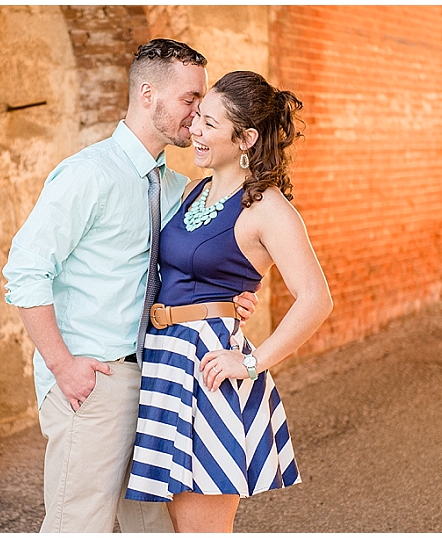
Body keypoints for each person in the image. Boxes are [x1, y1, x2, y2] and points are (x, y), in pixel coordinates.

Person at [2, 40, 259, 533]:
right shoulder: (88, 175)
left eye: (202, 104)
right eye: (190, 100)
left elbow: (187, 267)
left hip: (159, 379)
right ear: (147, 94)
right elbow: (25, 270)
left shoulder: (179, 186)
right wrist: (63, 365)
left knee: (154, 528)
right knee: (78, 526)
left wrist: (226, 299)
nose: (197, 114)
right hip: (94, 382)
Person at [124, 71, 334, 533]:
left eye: (209, 124)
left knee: (200, 528)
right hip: (165, 362)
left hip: (208, 372)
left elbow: (316, 299)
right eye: (197, 117)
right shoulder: (195, 191)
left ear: (246, 138)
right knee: (167, 523)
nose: (194, 129)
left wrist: (252, 362)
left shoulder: (267, 208)